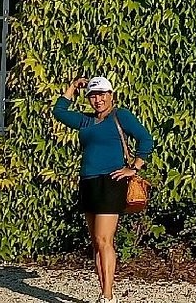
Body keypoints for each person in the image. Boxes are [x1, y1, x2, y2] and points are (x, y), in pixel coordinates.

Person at [53, 76, 153, 303]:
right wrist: (73, 87)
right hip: (88, 182)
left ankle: (108, 296)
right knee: (96, 242)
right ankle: (103, 293)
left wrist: (134, 168)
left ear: (111, 95)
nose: (98, 100)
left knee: (104, 239)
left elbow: (146, 140)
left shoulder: (121, 116)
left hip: (111, 182)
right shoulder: (86, 121)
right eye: (93, 95)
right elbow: (59, 111)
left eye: (102, 94)